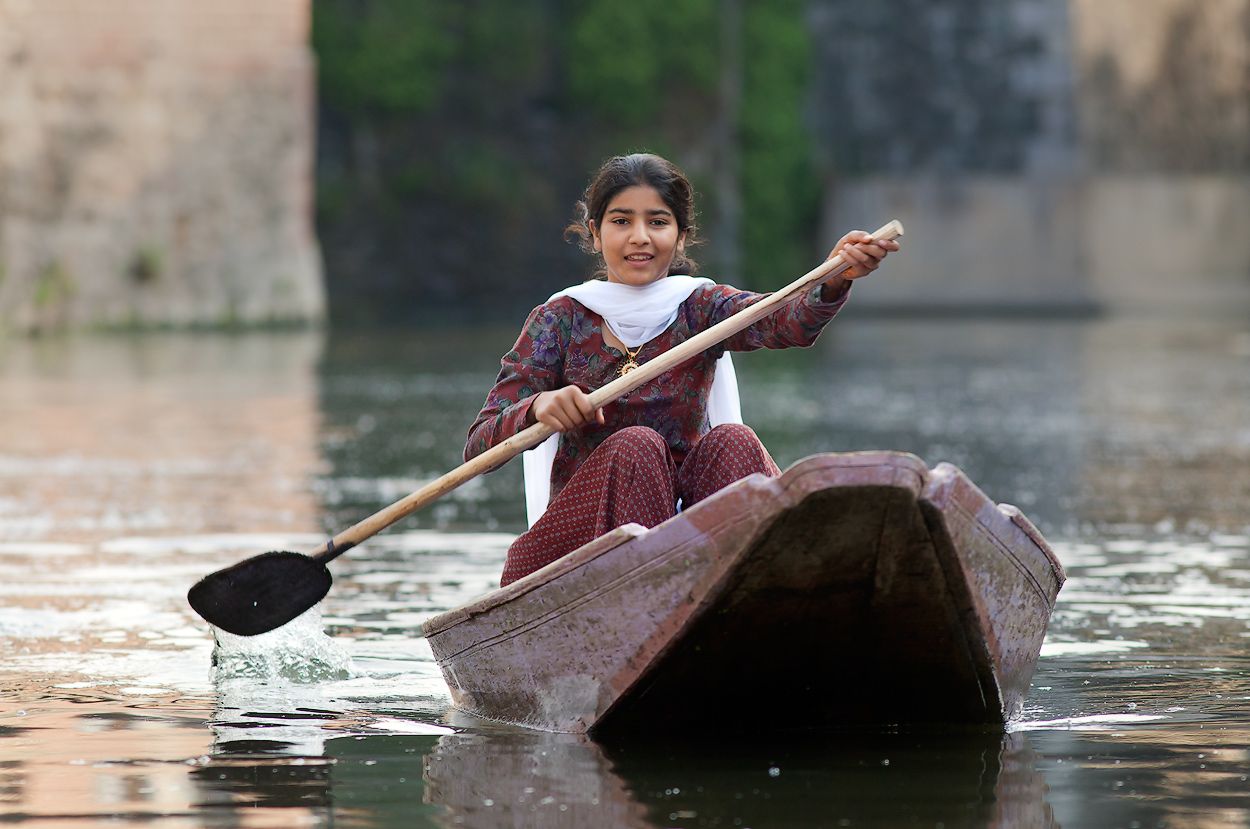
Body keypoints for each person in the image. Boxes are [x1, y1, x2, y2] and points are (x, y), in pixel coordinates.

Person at [465, 153, 899, 586]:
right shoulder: (558, 320)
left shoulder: (700, 308)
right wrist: (540, 407)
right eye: (621, 222)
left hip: (690, 539)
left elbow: (786, 321)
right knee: (636, 446)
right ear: (595, 234)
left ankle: (747, 587)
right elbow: (480, 446)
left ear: (680, 237)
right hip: (581, 549)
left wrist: (837, 277)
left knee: (734, 441)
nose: (640, 238)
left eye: (657, 222)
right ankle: (646, 589)